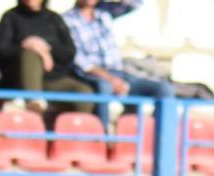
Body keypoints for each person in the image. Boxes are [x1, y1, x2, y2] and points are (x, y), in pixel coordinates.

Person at [63, 0, 172, 128]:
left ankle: (157, 133)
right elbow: (79, 60)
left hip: (119, 73)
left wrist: (115, 79)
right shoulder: (66, 20)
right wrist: (110, 79)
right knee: (104, 87)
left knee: (164, 89)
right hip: (92, 75)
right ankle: (103, 133)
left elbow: (135, 3)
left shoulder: (104, 13)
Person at [0, 0, 95, 115]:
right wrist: (27, 46)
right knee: (30, 54)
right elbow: (2, 51)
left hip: (52, 78)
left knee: (84, 92)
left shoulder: (54, 18)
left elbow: (69, 52)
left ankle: (78, 125)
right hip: (19, 81)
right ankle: (34, 102)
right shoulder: (10, 17)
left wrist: (46, 48)